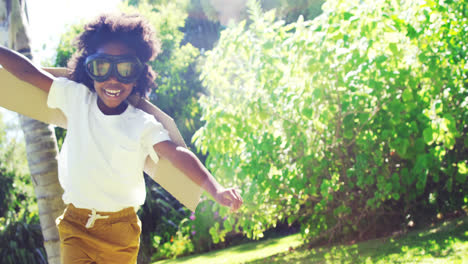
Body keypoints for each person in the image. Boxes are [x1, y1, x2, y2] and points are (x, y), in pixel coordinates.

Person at [0, 13, 242, 264]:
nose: (113, 79)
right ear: (89, 69)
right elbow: (28, 72)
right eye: (102, 67)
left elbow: (177, 154)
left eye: (125, 69)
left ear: (138, 75)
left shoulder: (142, 124)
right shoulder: (76, 99)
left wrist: (216, 189)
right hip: (76, 224)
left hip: (120, 231)